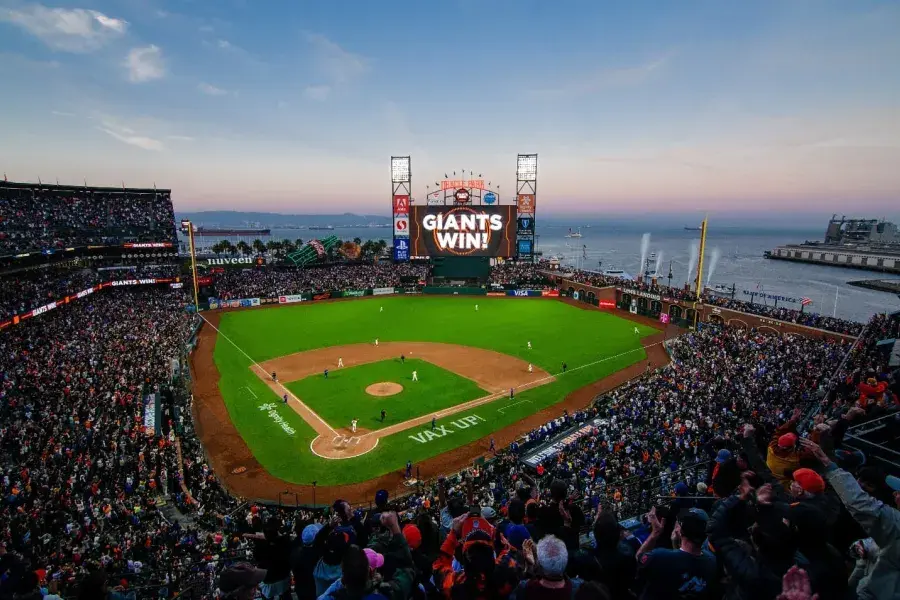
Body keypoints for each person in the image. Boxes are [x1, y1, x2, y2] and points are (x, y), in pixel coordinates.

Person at [637, 508, 717, 599]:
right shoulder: (711, 560)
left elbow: (639, 557)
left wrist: (655, 533)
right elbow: (684, 560)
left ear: (679, 530)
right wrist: (675, 544)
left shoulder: (659, 556)